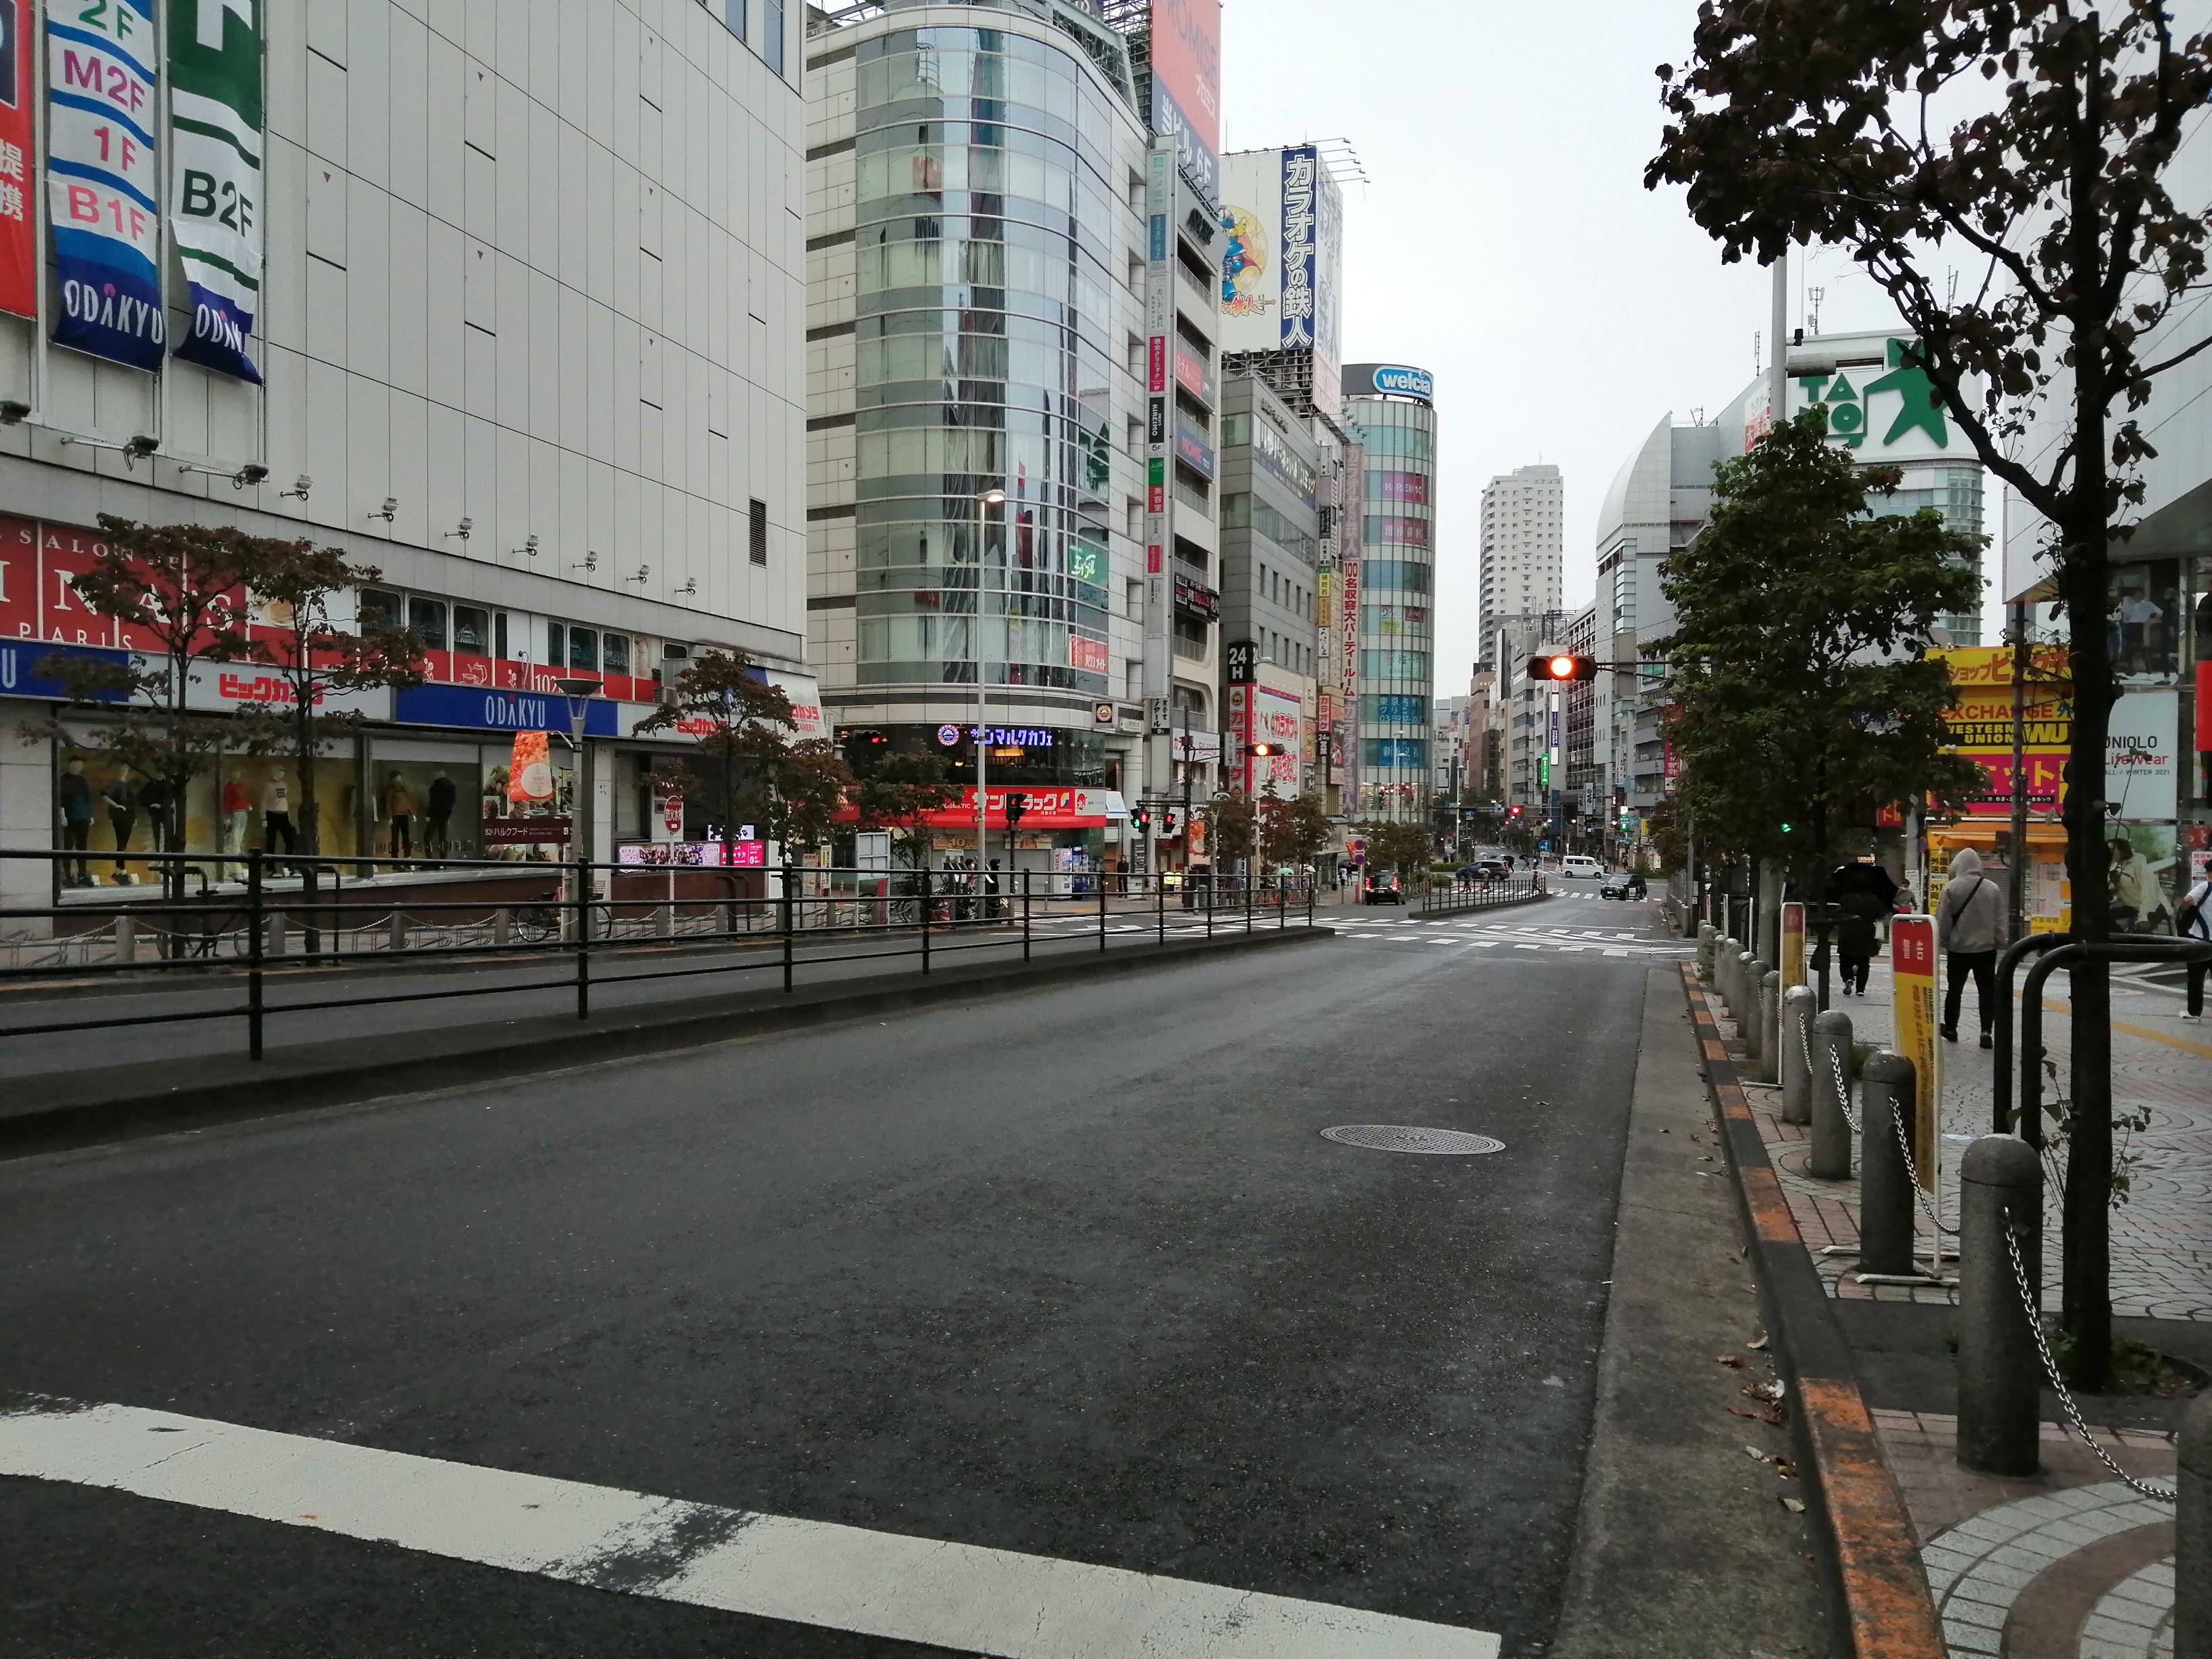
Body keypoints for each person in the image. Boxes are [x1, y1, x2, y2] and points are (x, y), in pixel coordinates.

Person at [1937, 847, 2004, 1047]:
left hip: (1958, 949)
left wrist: (1945, 940)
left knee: (1954, 990)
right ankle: (1986, 1032)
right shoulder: (1993, 888)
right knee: (1987, 991)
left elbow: (1943, 920)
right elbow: (1999, 920)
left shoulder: (1951, 888)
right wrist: (2000, 940)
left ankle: (1951, 1029)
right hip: (1986, 949)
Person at [1836, 887, 1882, 996]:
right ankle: (1860, 989)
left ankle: (1848, 979)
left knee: (1845, 960)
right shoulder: (1873, 899)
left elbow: (1838, 913)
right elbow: (1879, 916)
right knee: (1864, 963)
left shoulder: (1845, 898)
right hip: (1866, 934)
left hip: (1847, 933)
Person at [2177, 867, 2209, 1023]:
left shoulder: (2205, 886)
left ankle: (2194, 1012)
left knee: (2196, 979)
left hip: (2201, 941)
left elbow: (2187, 901)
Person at [57, 758, 93, 886]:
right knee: (68, 846)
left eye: (81, 764)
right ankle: (67, 876)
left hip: (83, 818)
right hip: (70, 817)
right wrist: (63, 815)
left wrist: (89, 815)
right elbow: (61, 799)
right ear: (70, 765)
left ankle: (82, 874)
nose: (79, 767)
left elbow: (87, 798)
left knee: (82, 847)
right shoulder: (64, 780)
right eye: (76, 764)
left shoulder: (82, 781)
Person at [100, 767, 138, 884]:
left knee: (123, 843)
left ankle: (119, 870)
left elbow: (133, 802)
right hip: (120, 816)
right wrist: (116, 805)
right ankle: (121, 870)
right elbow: (104, 795)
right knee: (121, 843)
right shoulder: (115, 784)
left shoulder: (129, 785)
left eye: (126, 769)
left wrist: (134, 817)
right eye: (122, 768)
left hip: (129, 817)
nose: (124, 771)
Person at [262, 773, 298, 856]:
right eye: (280, 771)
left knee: (290, 838)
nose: (282, 773)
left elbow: (284, 800)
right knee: (271, 840)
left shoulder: (284, 785)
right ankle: (270, 866)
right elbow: (264, 801)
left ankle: (289, 862)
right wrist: (264, 817)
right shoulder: (269, 786)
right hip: (272, 813)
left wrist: (288, 814)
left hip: (283, 814)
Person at [384, 773, 415, 860]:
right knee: (395, 838)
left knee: (405, 837)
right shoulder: (391, 789)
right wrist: (389, 817)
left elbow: (406, 802)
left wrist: (412, 814)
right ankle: (395, 858)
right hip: (395, 815)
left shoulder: (402, 788)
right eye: (398, 777)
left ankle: (407, 856)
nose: (400, 779)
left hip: (403, 815)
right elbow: (388, 803)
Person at [426, 772, 457, 859]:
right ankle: (443, 860)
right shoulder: (451, 787)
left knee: (428, 837)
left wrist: (429, 814)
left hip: (435, 815)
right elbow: (452, 802)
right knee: (443, 838)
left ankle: (429, 860)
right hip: (445, 815)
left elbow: (433, 802)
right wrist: (448, 815)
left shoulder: (436, 787)